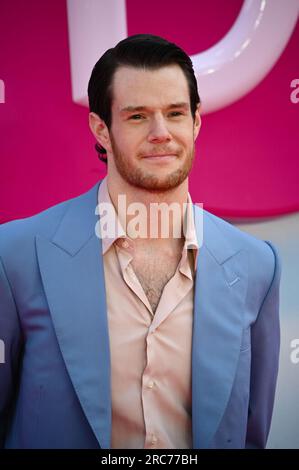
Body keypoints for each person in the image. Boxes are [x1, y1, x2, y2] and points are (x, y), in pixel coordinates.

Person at [0, 34, 281, 449]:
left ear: (196, 120)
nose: (160, 133)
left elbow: (249, 434)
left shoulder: (258, 266)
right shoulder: (16, 255)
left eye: (175, 113)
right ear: (101, 129)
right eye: (137, 117)